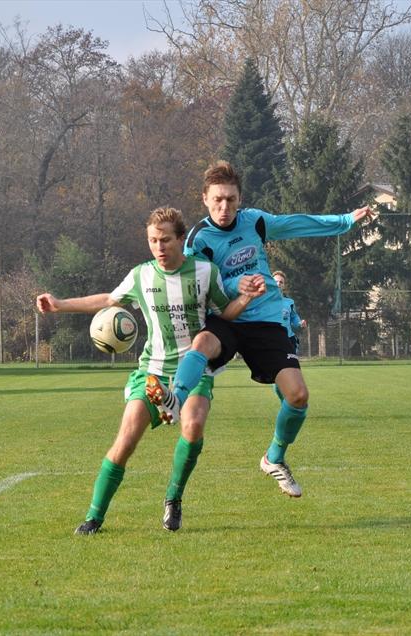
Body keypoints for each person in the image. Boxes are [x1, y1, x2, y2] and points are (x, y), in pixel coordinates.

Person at [146, 161, 377, 498]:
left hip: (266, 319)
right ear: (205, 199)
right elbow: (197, 281)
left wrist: (344, 221)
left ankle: (274, 458)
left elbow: (296, 223)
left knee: (297, 396)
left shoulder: (255, 221)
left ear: (240, 199)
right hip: (228, 315)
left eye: (231, 199)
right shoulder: (199, 239)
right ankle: (174, 400)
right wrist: (233, 284)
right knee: (203, 342)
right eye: (217, 200)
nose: (224, 207)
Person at [36, 207, 265, 535]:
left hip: (194, 367)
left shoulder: (205, 272)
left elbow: (224, 313)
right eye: (153, 241)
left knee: (193, 426)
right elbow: (109, 300)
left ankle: (173, 498)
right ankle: (94, 517)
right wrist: (60, 304)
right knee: (126, 441)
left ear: (181, 239)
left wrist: (245, 298)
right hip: (152, 370)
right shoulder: (141, 275)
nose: (159, 247)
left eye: (166, 240)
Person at [272, 270, 306, 355]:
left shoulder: (289, 302)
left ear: (284, 285)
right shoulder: (264, 301)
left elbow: (294, 317)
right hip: (271, 340)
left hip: (288, 339)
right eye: (276, 281)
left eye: (281, 282)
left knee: (291, 363)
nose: (278, 284)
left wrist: (299, 323)